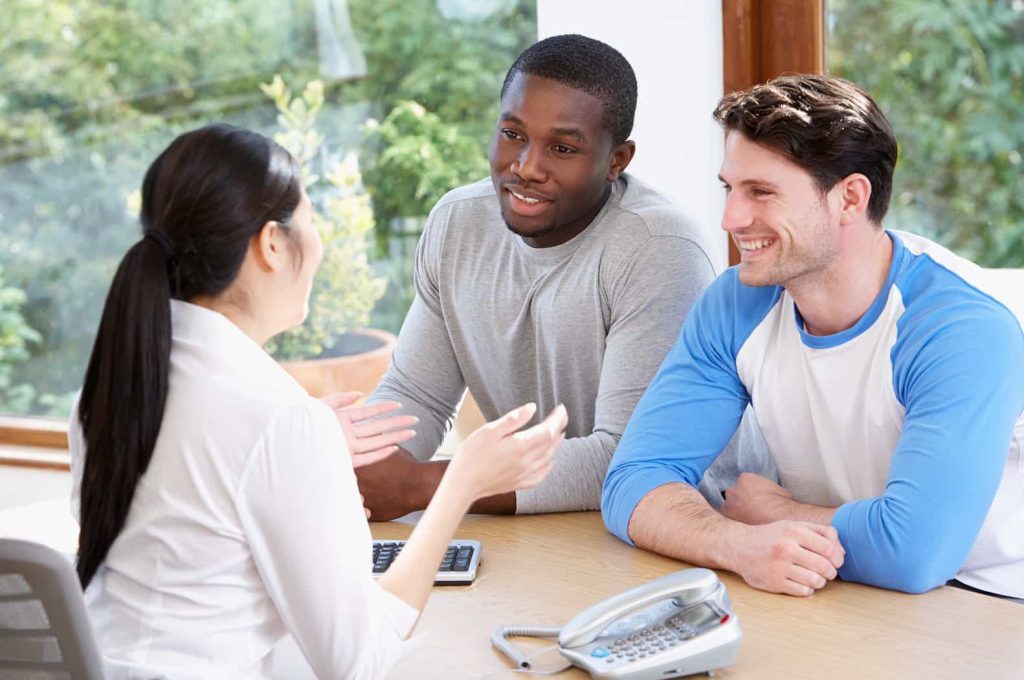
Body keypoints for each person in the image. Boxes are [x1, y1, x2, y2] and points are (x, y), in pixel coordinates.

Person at [68, 123, 568, 679]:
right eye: (311, 220)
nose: (318, 242)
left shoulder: (115, 385)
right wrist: (461, 485)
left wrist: (311, 451)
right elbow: (358, 662)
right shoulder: (276, 417)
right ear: (272, 245)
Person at [602, 73, 1024, 600]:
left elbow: (915, 553)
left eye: (762, 192)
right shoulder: (737, 303)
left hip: (991, 606)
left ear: (850, 198)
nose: (732, 217)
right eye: (730, 189)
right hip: (842, 587)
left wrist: (780, 514)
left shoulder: (958, 329)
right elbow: (633, 482)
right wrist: (738, 545)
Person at [356, 33, 767, 519]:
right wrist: (368, 463)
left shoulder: (658, 248)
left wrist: (422, 485)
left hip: (678, 530)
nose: (527, 168)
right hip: (534, 522)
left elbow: (627, 458)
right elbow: (415, 394)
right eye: (512, 135)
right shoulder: (457, 223)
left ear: (617, 160)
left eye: (563, 149)